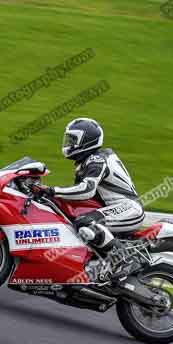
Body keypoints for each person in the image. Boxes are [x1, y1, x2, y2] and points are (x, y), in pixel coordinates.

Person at [33, 118, 145, 282]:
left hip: (128, 208)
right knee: (74, 219)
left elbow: (86, 190)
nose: (69, 144)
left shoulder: (97, 160)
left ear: (86, 141)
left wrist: (52, 191)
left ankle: (125, 260)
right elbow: (79, 195)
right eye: (69, 140)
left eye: (73, 140)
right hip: (117, 208)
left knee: (85, 222)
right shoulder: (87, 162)